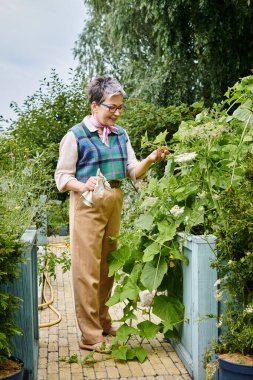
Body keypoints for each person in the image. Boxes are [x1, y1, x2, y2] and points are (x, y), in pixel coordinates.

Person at [55, 76, 168, 352]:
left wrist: (151, 159)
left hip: (115, 198)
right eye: (112, 107)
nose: (117, 113)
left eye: (120, 108)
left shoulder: (121, 134)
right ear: (95, 105)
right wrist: (83, 184)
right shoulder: (75, 136)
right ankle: (90, 335)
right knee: (87, 270)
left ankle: (104, 322)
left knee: (108, 267)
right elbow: (62, 176)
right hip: (88, 203)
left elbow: (132, 170)